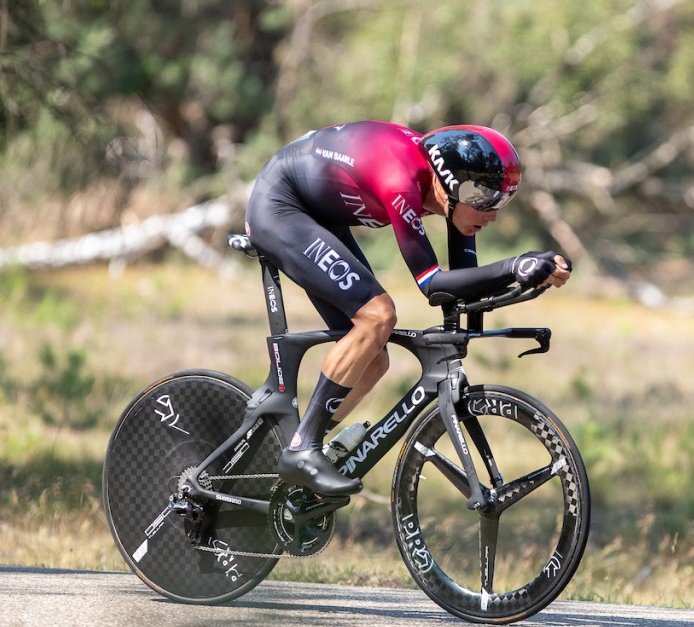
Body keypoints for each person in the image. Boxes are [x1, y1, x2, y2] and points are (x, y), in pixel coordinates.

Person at [244, 120, 571, 496]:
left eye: (499, 200)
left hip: (320, 213)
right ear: (449, 184)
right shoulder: (399, 181)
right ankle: (303, 451)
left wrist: (530, 273)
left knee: (373, 359)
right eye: (484, 199)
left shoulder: (447, 192)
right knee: (377, 315)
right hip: (281, 205)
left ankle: (294, 447)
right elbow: (433, 285)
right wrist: (514, 265)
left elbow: (463, 290)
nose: (492, 212)